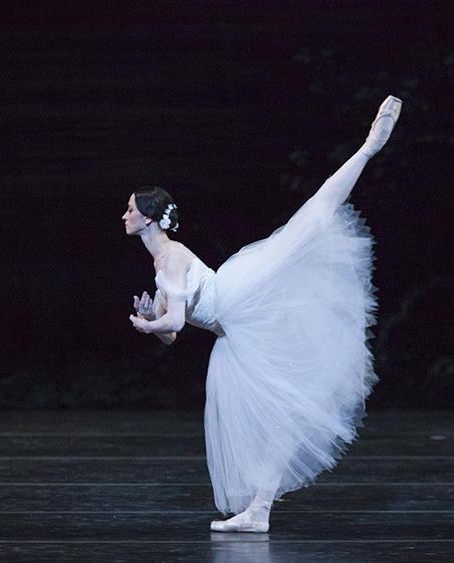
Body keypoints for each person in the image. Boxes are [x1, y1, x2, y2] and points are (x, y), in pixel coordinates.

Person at [122, 96, 402, 532]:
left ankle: (369, 147)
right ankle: (260, 511)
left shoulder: (172, 258)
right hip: (232, 332)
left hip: (240, 301)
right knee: (272, 415)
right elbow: (172, 336)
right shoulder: (160, 263)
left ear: (150, 219)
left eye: (131, 210)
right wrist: (151, 322)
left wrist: (149, 322)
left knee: (306, 225)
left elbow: (174, 322)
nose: (125, 215)